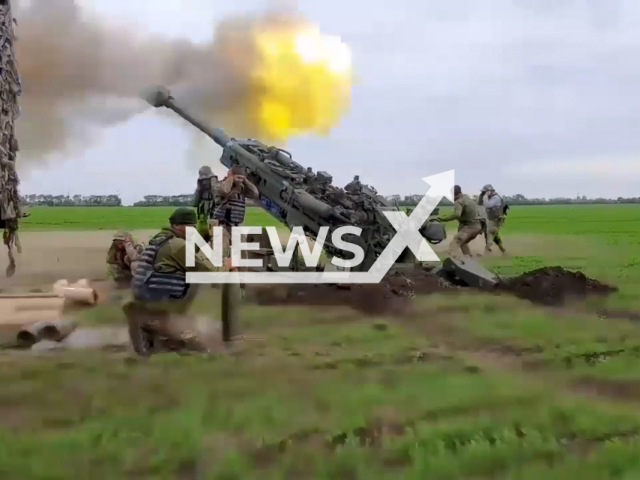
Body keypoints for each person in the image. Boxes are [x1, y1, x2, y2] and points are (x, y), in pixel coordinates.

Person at [123, 207, 236, 356]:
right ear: (178, 226)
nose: (193, 231)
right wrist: (226, 266)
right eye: (191, 227)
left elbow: (189, 252)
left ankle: (154, 331)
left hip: (143, 297)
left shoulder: (160, 239)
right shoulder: (177, 245)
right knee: (195, 280)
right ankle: (167, 328)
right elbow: (209, 273)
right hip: (160, 301)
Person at [213, 165, 259, 296]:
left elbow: (255, 193)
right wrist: (230, 179)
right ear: (230, 174)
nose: (240, 180)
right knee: (220, 255)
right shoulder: (220, 184)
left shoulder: (243, 189)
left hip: (236, 226)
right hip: (221, 226)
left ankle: (241, 286)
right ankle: (217, 286)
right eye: (238, 177)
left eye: (242, 178)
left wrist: (245, 181)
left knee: (242, 256)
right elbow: (223, 191)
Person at [436, 185, 483, 258]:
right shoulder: (468, 199)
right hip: (478, 226)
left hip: (469, 226)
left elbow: (457, 214)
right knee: (463, 243)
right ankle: (469, 259)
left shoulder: (459, 201)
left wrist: (442, 219)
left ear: (454, 194)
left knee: (455, 242)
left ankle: (451, 260)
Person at [478, 184, 507, 255]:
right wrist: (481, 196)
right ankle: (503, 251)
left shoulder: (495, 198)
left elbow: (487, 205)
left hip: (496, 219)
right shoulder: (491, 197)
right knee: (494, 235)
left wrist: (485, 197)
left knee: (489, 232)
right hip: (493, 219)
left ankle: (486, 251)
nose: (484, 193)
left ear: (489, 191)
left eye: (485, 192)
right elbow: (479, 203)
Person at [193, 165, 219, 240]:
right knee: (202, 220)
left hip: (211, 203)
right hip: (204, 203)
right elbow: (198, 191)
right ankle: (202, 235)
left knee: (212, 219)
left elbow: (214, 191)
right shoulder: (200, 180)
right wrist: (196, 203)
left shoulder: (212, 179)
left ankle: (211, 236)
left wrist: (216, 202)